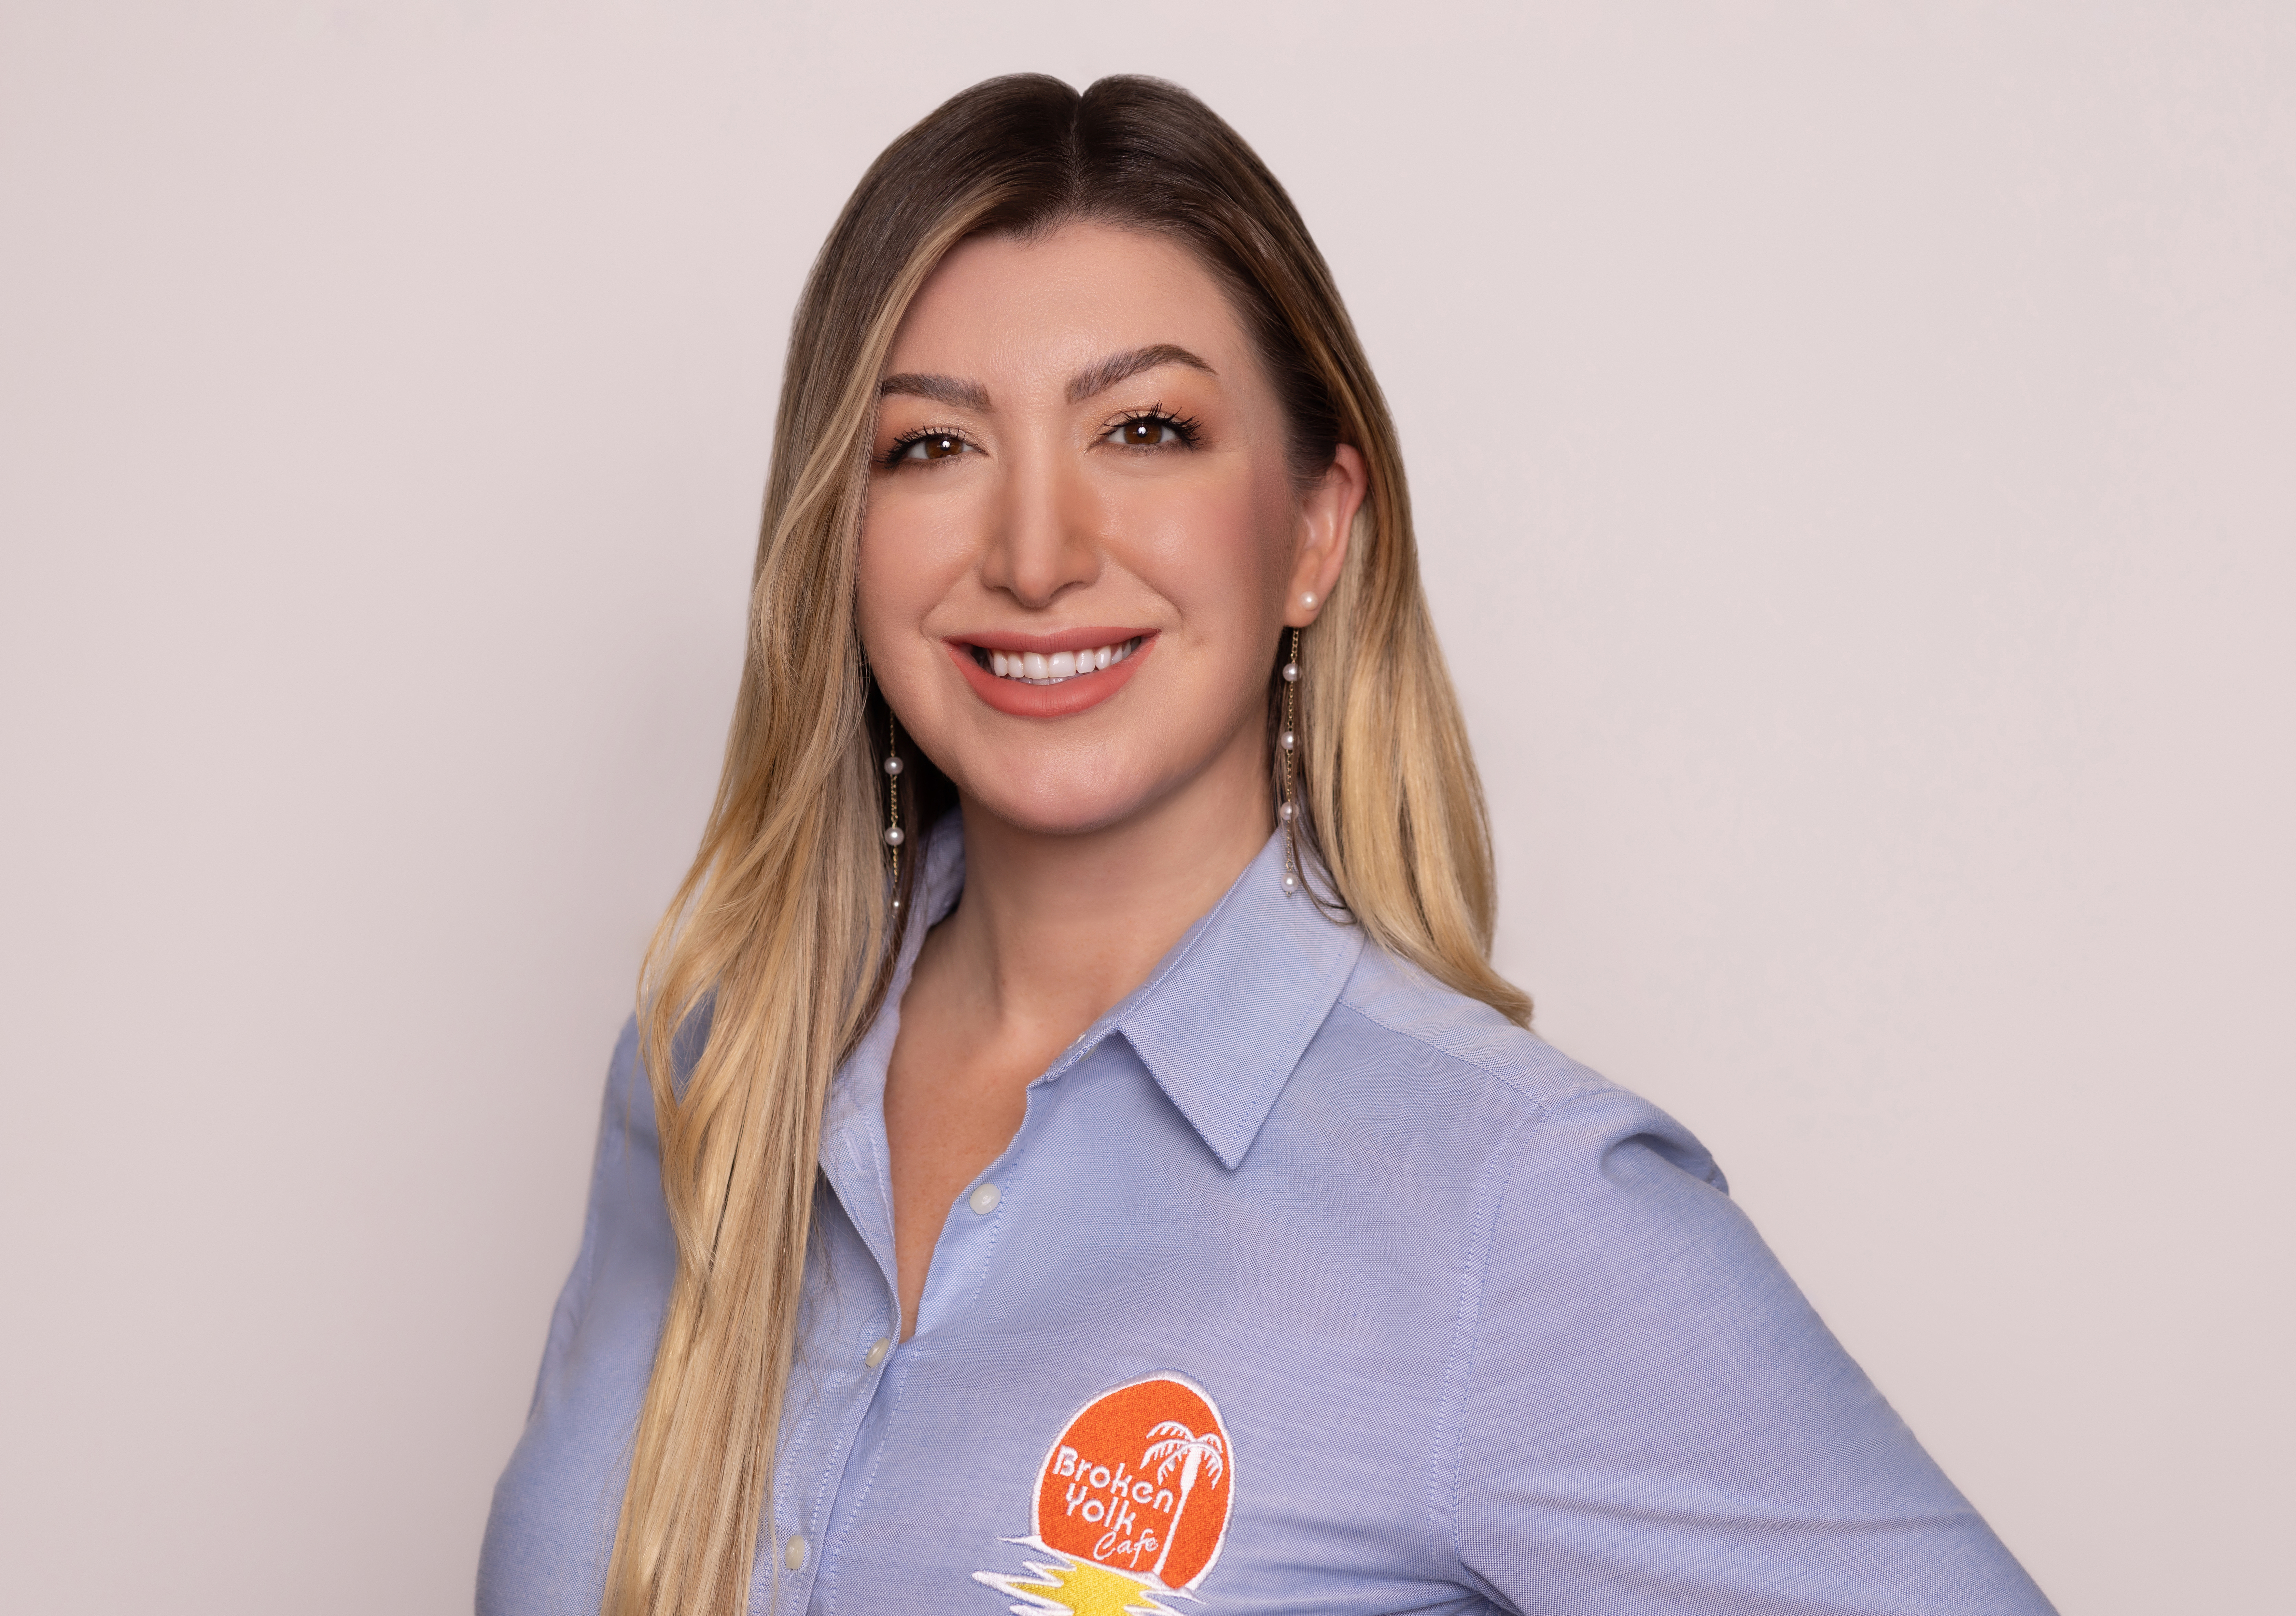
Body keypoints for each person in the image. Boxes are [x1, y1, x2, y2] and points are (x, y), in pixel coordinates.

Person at [478, 74, 2053, 1616]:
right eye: (931, 447)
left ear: (1312, 527)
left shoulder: (1510, 1203)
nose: (1034, 553)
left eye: (1144, 428)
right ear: (838, 532)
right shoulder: (709, 1080)